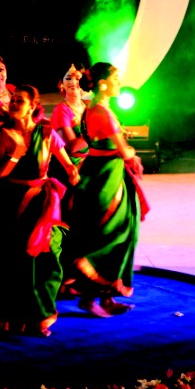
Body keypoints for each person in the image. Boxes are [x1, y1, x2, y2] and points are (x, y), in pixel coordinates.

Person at [0, 84, 79, 337]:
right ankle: (9, 315)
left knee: (45, 257)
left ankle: (38, 316)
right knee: (12, 258)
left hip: (42, 202)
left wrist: (74, 174)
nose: (13, 103)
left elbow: (67, 164)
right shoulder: (2, 135)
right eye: (12, 99)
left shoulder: (46, 132)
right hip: (11, 202)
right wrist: (14, 155)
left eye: (19, 100)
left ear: (33, 106)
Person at [61, 62, 150, 318]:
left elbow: (92, 142)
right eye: (116, 79)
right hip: (107, 179)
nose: (119, 83)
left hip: (101, 174)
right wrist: (133, 154)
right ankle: (91, 293)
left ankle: (104, 296)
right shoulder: (102, 112)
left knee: (108, 234)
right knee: (115, 236)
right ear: (102, 84)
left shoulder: (92, 109)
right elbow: (123, 150)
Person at [49, 63, 90, 215]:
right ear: (61, 84)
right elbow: (71, 146)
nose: (73, 82)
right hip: (67, 170)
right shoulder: (62, 110)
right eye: (68, 78)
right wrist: (97, 132)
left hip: (89, 165)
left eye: (78, 78)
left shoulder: (88, 107)